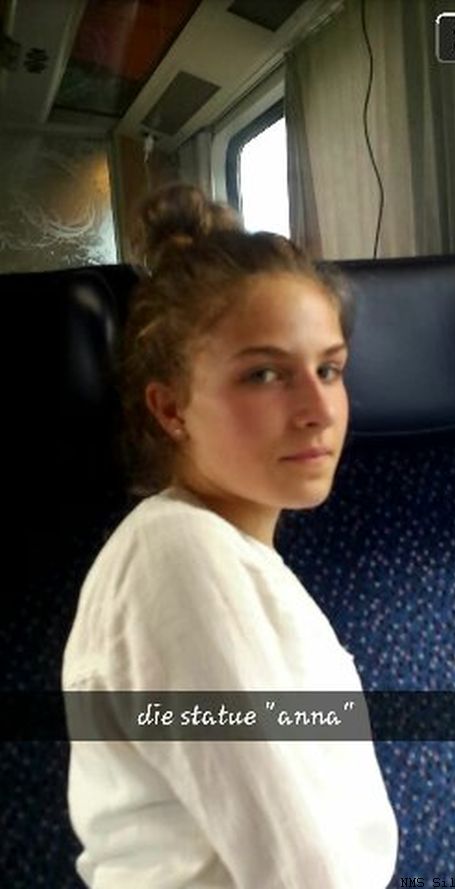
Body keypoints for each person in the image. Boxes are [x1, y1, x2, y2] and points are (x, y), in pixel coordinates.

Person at [62, 182, 399, 888]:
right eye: (265, 373)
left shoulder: (235, 555)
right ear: (171, 408)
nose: (318, 409)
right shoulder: (174, 558)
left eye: (329, 369)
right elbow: (301, 871)